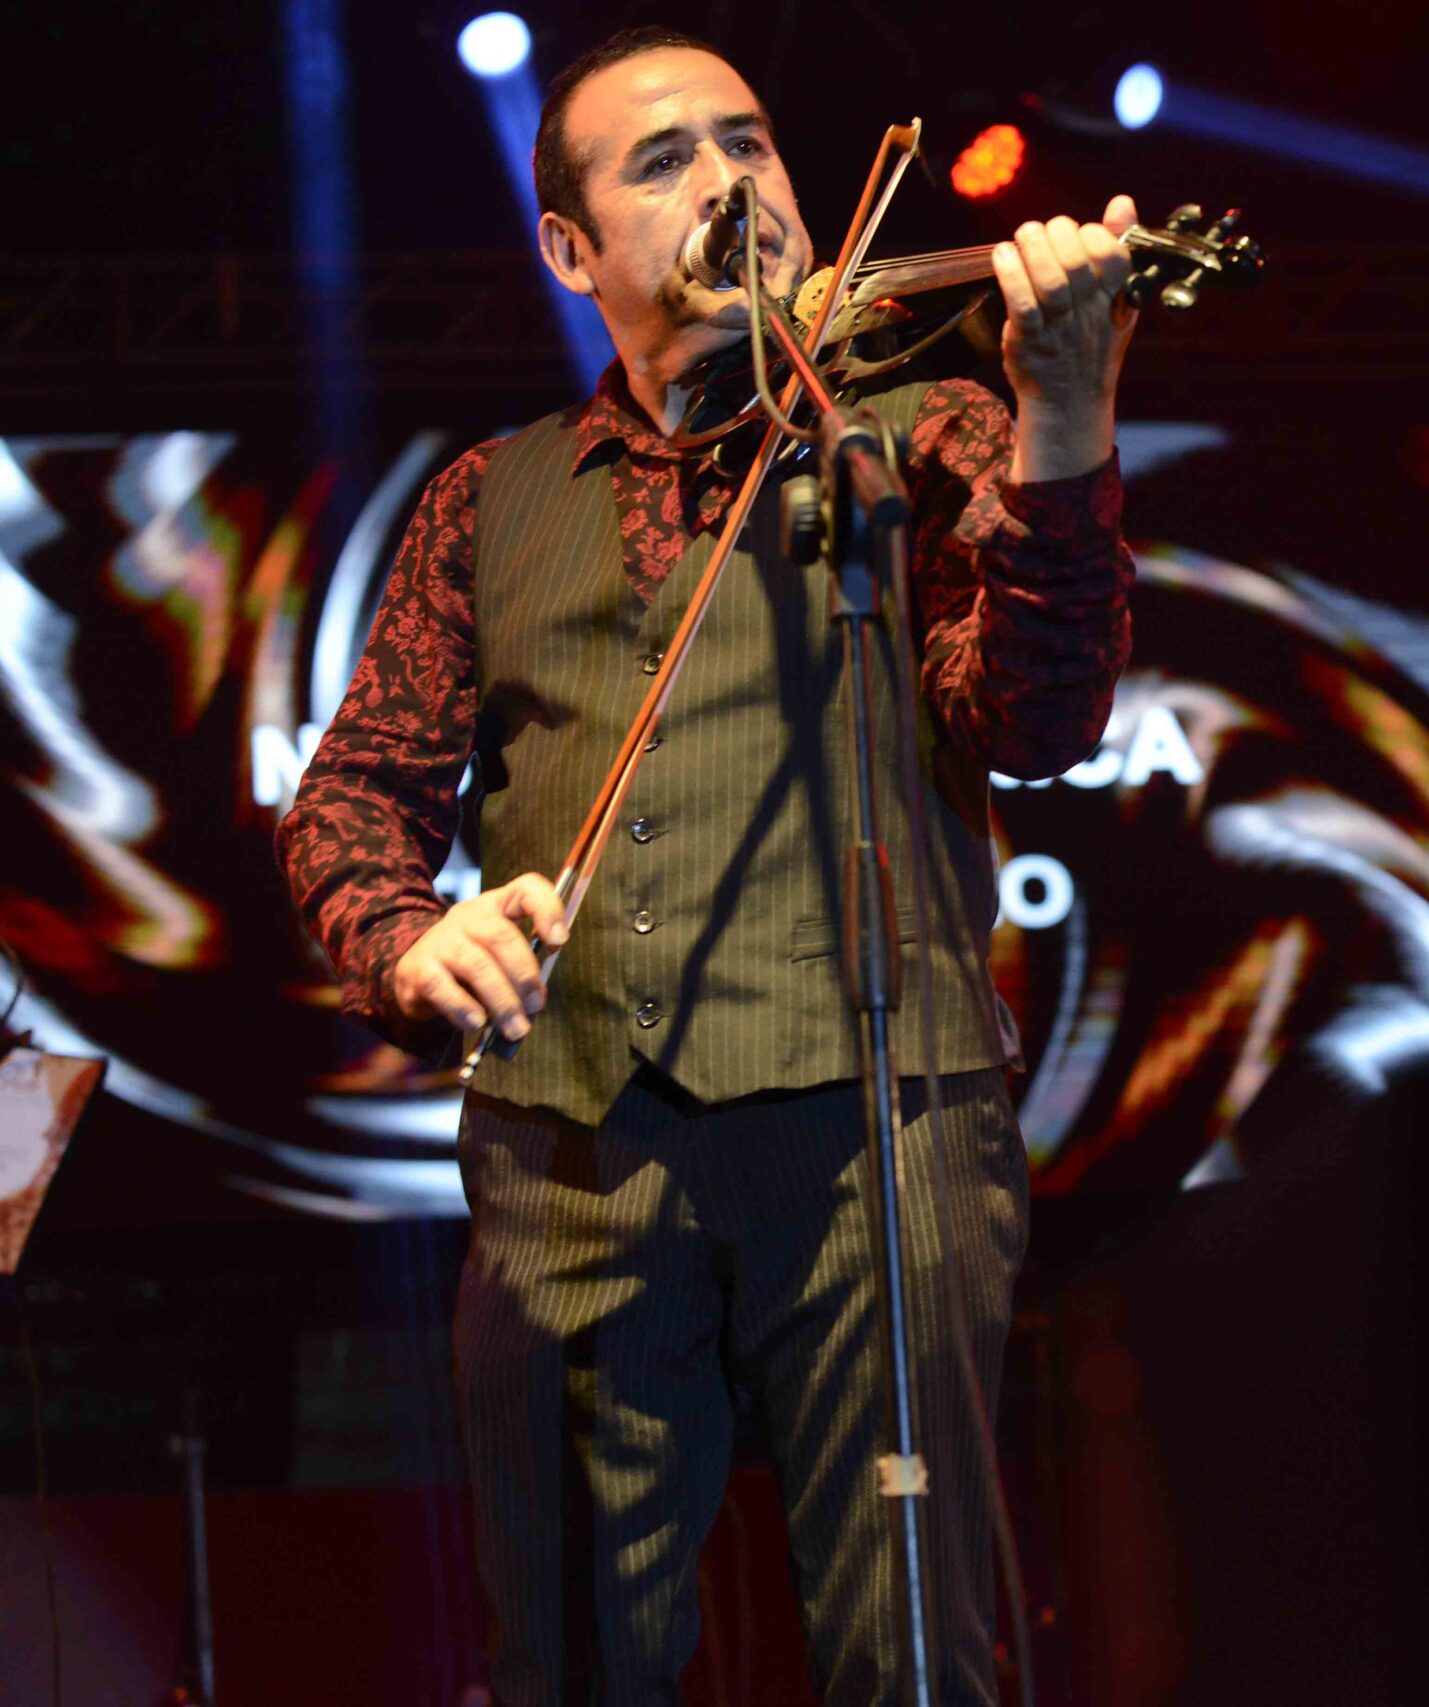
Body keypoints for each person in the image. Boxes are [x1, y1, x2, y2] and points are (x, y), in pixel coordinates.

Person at [277, 25, 1137, 1705]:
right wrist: (405, 940)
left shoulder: (925, 430)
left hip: (881, 1134)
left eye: (750, 142)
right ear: (570, 247)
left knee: (912, 1656)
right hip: (572, 1151)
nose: (731, 180)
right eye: (665, 160)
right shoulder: (488, 500)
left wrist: (1065, 416)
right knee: (573, 1661)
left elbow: (1035, 717)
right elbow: (354, 797)